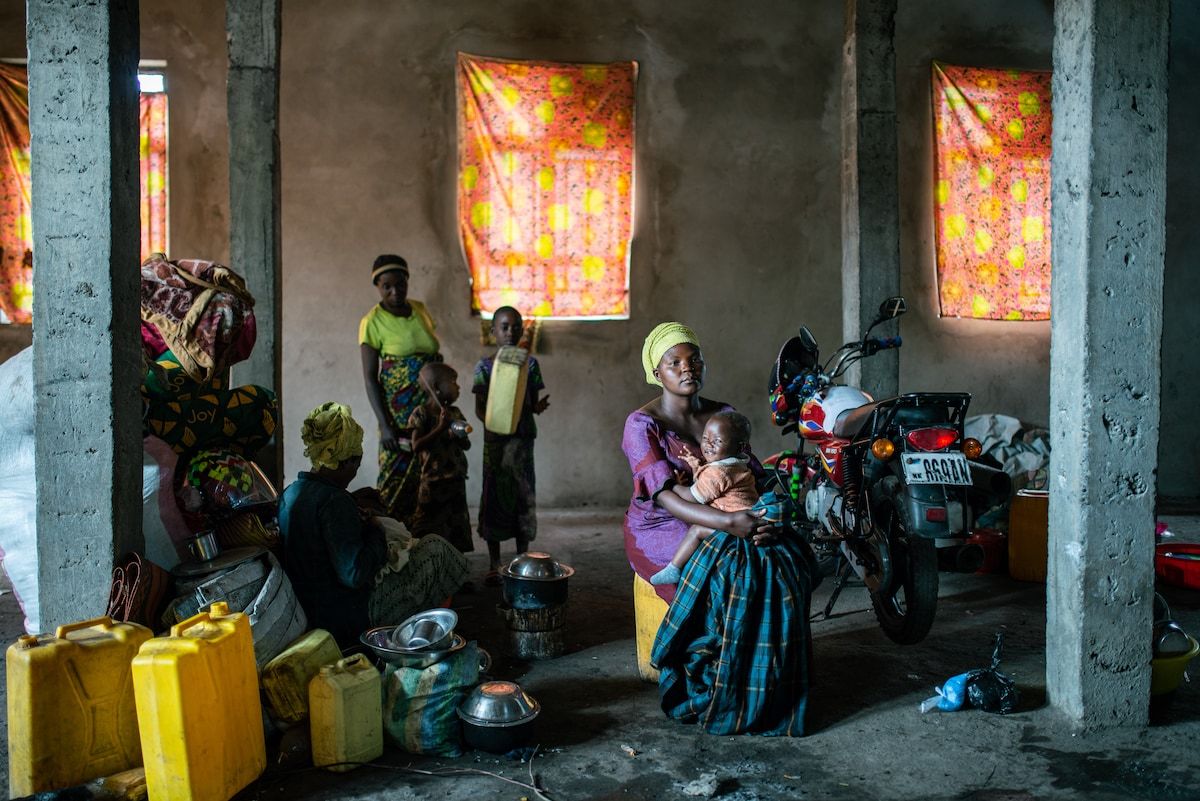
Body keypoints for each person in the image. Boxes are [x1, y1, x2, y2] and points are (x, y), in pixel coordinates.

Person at [622, 322, 820, 736]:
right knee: (725, 574)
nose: (686, 368)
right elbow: (668, 499)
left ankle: (762, 676)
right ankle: (712, 678)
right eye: (673, 362)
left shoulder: (724, 416)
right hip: (663, 525)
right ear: (656, 372)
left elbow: (754, 477)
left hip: (729, 515)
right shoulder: (642, 425)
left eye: (694, 359)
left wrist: (765, 519)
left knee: (784, 559)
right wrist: (732, 524)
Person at [279, 401, 467, 647]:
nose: (355, 471)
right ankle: (426, 636)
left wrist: (352, 500)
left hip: (312, 608)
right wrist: (375, 530)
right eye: (355, 464)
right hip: (347, 617)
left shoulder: (292, 492)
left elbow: (318, 523)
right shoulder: (334, 502)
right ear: (344, 462)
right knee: (435, 551)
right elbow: (354, 574)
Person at [359, 254, 441, 522]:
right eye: (387, 286)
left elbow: (432, 355)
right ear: (378, 287)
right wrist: (385, 424)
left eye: (401, 284)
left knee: (431, 472)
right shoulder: (372, 322)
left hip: (430, 406)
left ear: (408, 282)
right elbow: (371, 378)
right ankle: (394, 540)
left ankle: (428, 539)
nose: (395, 292)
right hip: (398, 413)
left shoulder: (420, 310)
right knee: (396, 476)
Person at [472, 306, 549, 585]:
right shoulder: (484, 366)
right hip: (495, 443)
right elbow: (480, 407)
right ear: (492, 331)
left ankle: (520, 559)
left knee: (522, 493)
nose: (510, 332)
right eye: (504, 327)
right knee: (494, 494)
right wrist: (494, 424)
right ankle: (494, 562)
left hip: (522, 440)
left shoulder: (530, 364)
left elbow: (529, 403)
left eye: (516, 327)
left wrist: (536, 408)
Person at [650, 410, 760, 586]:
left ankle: (674, 569)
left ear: (739, 447)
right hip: (742, 520)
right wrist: (697, 468)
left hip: (738, 530)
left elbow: (693, 497)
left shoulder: (720, 472)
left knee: (696, 530)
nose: (708, 446)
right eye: (705, 439)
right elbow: (709, 487)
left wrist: (671, 485)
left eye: (717, 441)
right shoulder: (733, 465)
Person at [407, 363, 474, 554]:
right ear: (436, 387)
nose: (458, 387)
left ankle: (456, 576)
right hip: (433, 482)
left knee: (456, 529)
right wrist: (440, 428)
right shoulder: (422, 412)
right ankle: (426, 572)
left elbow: (466, 445)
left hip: (456, 480)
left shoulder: (455, 413)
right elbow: (416, 445)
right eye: (453, 382)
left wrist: (458, 436)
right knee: (426, 528)